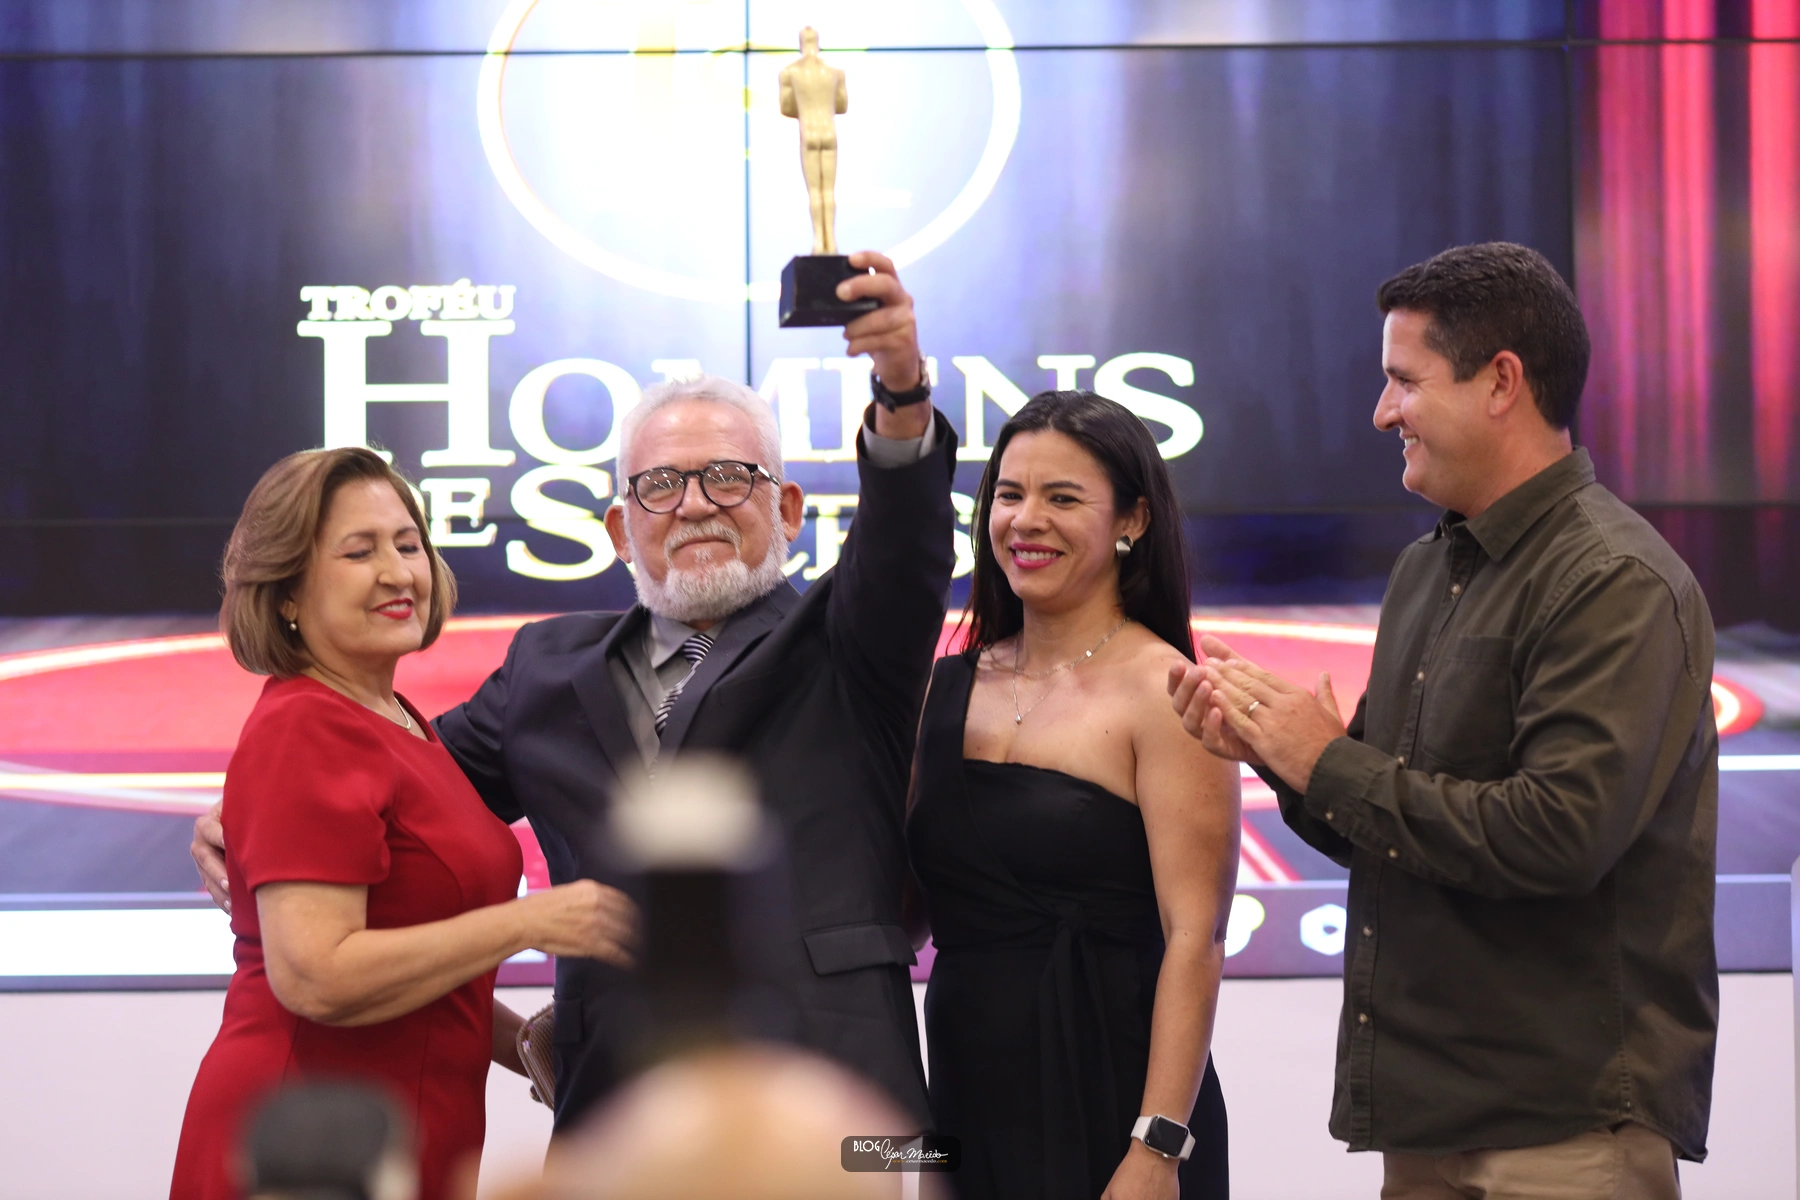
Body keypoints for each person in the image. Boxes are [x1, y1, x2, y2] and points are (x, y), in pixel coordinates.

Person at [193, 252, 950, 1130]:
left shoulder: (851, 642)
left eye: (728, 477)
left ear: (785, 509)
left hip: (840, 1112)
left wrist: (900, 389)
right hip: (614, 1112)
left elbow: (904, 540)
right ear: (621, 530)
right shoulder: (544, 669)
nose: (695, 505)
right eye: (660, 485)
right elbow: (391, 781)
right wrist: (240, 812)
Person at [1169, 243, 1717, 1199]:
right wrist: (1279, 755)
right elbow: (1392, 830)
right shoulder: (1426, 569)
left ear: (1501, 381)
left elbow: (1558, 837)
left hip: (1565, 1128)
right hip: (1426, 1119)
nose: (1383, 413)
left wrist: (1324, 760)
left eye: (1404, 381)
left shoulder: (1615, 581)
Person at [173, 448, 635, 1200]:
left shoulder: (399, 719)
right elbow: (318, 976)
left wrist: (530, 1045)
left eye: (409, 544)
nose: (398, 573)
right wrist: (531, 921)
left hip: (407, 1128)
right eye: (359, 552)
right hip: (310, 1144)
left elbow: (418, 969)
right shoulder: (305, 726)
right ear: (287, 592)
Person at [906, 390, 1239, 1199]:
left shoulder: (1167, 690)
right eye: (1009, 495)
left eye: (1062, 498)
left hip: (1119, 1102)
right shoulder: (941, 689)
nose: (1026, 521)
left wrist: (1158, 1148)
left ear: (1132, 520)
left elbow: (1195, 939)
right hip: (966, 1093)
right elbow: (905, 912)